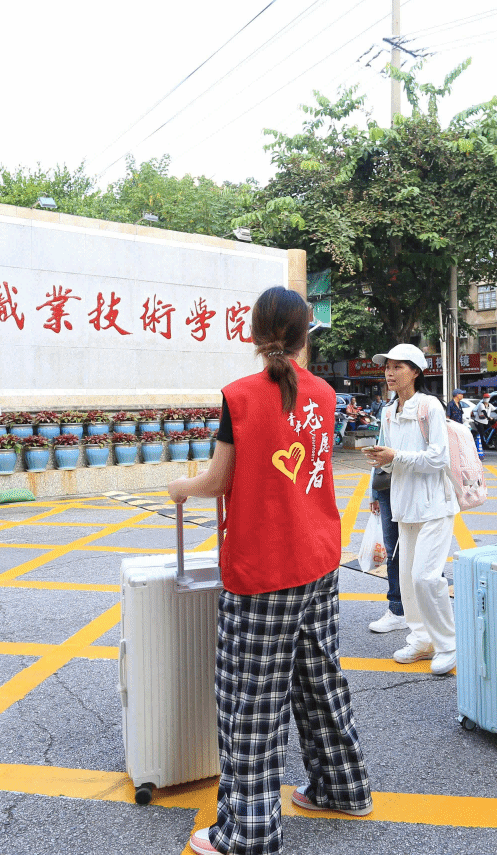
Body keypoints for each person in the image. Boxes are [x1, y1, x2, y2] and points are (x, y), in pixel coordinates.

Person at [168, 286, 372, 855]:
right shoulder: (325, 394)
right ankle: (343, 786)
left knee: (252, 701)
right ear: (307, 334)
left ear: (254, 334)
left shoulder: (239, 396)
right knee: (319, 678)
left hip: (262, 567)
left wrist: (181, 486)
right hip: (318, 559)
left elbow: (217, 481)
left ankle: (250, 831)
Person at [362, 343, 459, 676]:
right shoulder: (388, 411)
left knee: (426, 577)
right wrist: (382, 460)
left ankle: (448, 645)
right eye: (387, 367)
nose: (389, 373)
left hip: (434, 506)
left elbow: (439, 458)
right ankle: (421, 639)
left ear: (415, 372)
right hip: (404, 507)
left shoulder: (429, 406)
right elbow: (392, 462)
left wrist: (396, 457)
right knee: (407, 579)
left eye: (397, 367)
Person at [366, 398, 406, 635]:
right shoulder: (388, 409)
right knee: (393, 551)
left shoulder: (428, 406)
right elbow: (379, 450)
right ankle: (398, 610)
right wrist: (374, 491)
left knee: (421, 551)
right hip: (387, 487)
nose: (389, 379)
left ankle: (426, 611)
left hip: (414, 488)